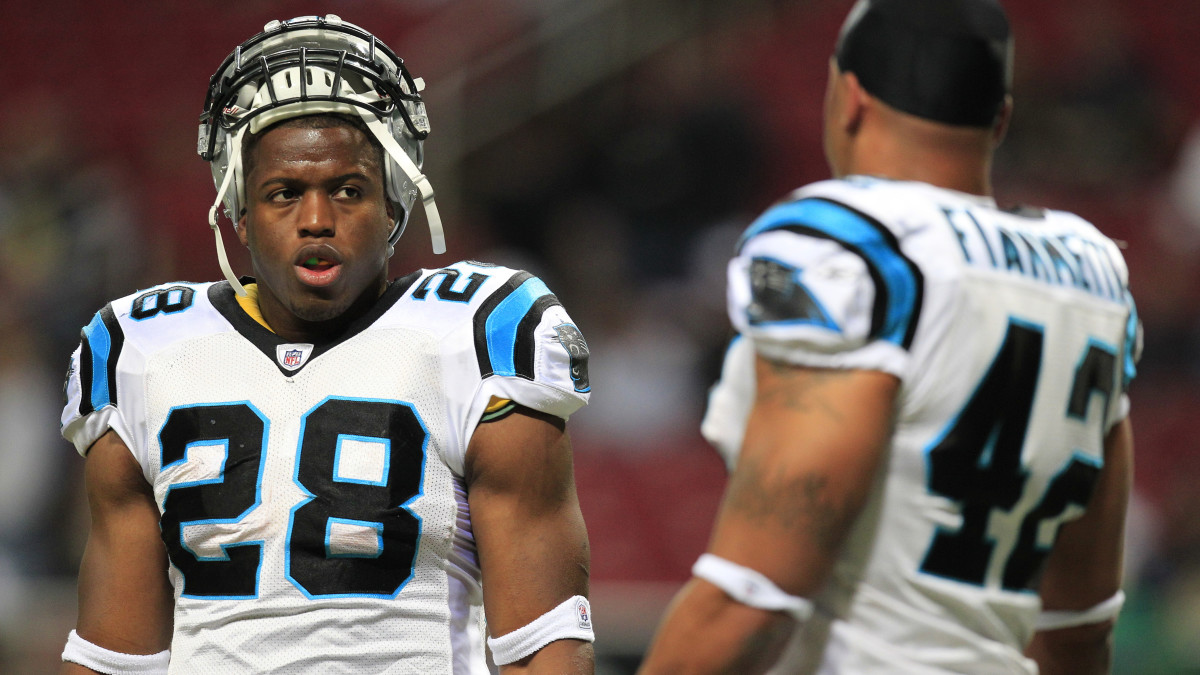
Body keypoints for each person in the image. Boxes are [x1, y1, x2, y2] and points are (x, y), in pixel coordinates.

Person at [59, 15, 595, 674]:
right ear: (240, 213)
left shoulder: (478, 332)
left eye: (347, 190)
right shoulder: (139, 347)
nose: (317, 220)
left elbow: (543, 643)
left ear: (393, 204)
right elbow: (113, 657)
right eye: (284, 193)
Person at [640, 0, 1139, 673]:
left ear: (849, 98)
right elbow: (1079, 626)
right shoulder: (1092, 273)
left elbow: (753, 594)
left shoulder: (852, 245)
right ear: (1000, 120)